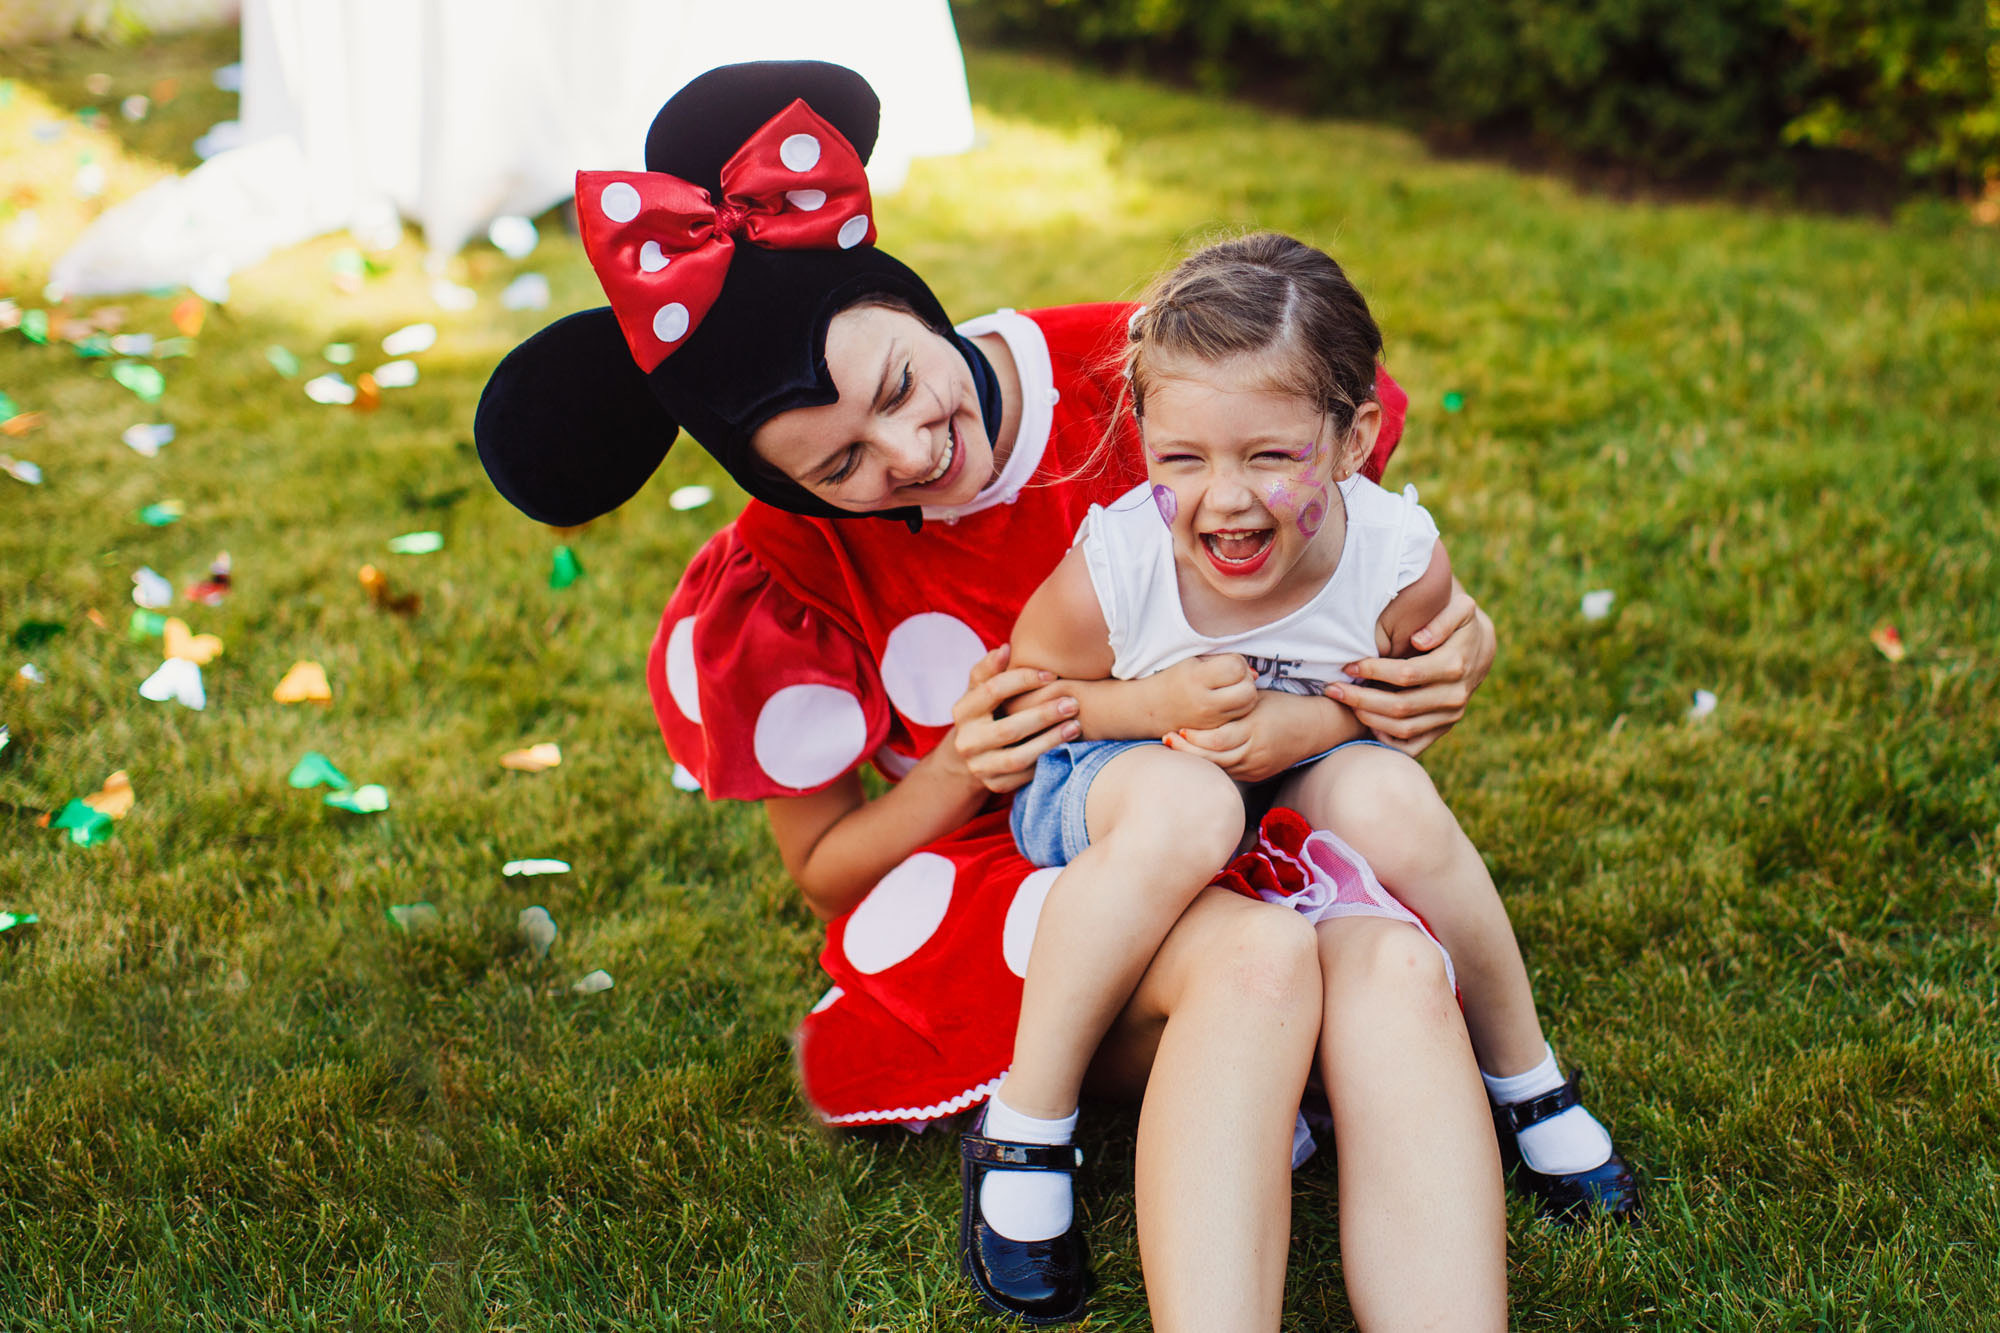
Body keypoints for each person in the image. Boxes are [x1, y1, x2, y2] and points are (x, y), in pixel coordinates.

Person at [475, 60, 1525, 1330]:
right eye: (843, 462)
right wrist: (958, 769)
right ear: (791, 486)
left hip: (1252, 792)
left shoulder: (1130, 370)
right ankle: (1050, 1136)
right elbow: (829, 869)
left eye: (901, 386)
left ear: (914, 304)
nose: (912, 449)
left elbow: (1344, 540)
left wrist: (1447, 640)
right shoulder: (787, 568)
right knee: (1255, 962)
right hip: (1015, 876)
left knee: (1391, 976)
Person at [978, 231, 1638, 1312]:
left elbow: (1397, 698)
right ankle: (1027, 1123)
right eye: (1180, 460)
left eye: (1268, 456)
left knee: (1386, 790)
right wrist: (1149, 707)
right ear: (1142, 441)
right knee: (1191, 800)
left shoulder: (1394, 559)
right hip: (1116, 787)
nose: (1222, 499)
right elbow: (1033, 702)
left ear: (1351, 439)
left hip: (1288, 786)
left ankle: (1524, 1074)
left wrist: (1308, 725)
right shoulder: (1118, 565)